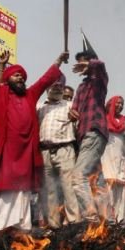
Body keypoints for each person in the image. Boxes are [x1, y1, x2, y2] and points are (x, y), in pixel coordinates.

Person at [0, 29, 66, 234]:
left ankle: (16, 227)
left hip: (24, 153)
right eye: (16, 74)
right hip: (2, 151)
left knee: (19, 192)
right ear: (8, 78)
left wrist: (57, 62)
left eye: (22, 75)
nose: (20, 78)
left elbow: (45, 80)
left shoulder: (30, 95)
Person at [69, 50, 109, 222]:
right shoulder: (81, 86)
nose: (80, 65)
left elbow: (101, 65)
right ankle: (104, 218)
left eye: (83, 62)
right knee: (97, 180)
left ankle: (90, 216)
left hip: (94, 130)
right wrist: (72, 113)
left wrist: (89, 64)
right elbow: (74, 110)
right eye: (78, 63)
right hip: (84, 134)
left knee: (78, 177)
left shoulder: (99, 81)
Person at [37, 78, 80, 230]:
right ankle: (53, 226)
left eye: (60, 86)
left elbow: (80, 126)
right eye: (54, 85)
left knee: (68, 188)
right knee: (49, 190)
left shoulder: (70, 106)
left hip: (65, 150)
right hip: (44, 151)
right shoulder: (39, 106)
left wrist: (76, 119)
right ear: (47, 87)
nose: (57, 88)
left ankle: (74, 223)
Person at [100, 95, 125, 222]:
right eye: (117, 103)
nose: (120, 105)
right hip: (105, 159)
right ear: (110, 104)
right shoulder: (102, 119)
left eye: (122, 104)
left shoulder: (124, 120)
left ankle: (120, 222)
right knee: (106, 191)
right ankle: (106, 223)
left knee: (120, 192)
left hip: (119, 161)